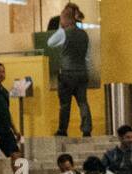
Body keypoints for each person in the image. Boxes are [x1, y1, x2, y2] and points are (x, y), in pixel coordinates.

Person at [50, 4, 92, 138]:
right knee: (83, 102)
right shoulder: (84, 34)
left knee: (65, 104)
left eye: (61, 19)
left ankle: (62, 130)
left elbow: (50, 42)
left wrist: (59, 28)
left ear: (65, 19)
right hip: (82, 72)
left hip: (67, 73)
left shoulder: (63, 33)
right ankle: (86, 129)